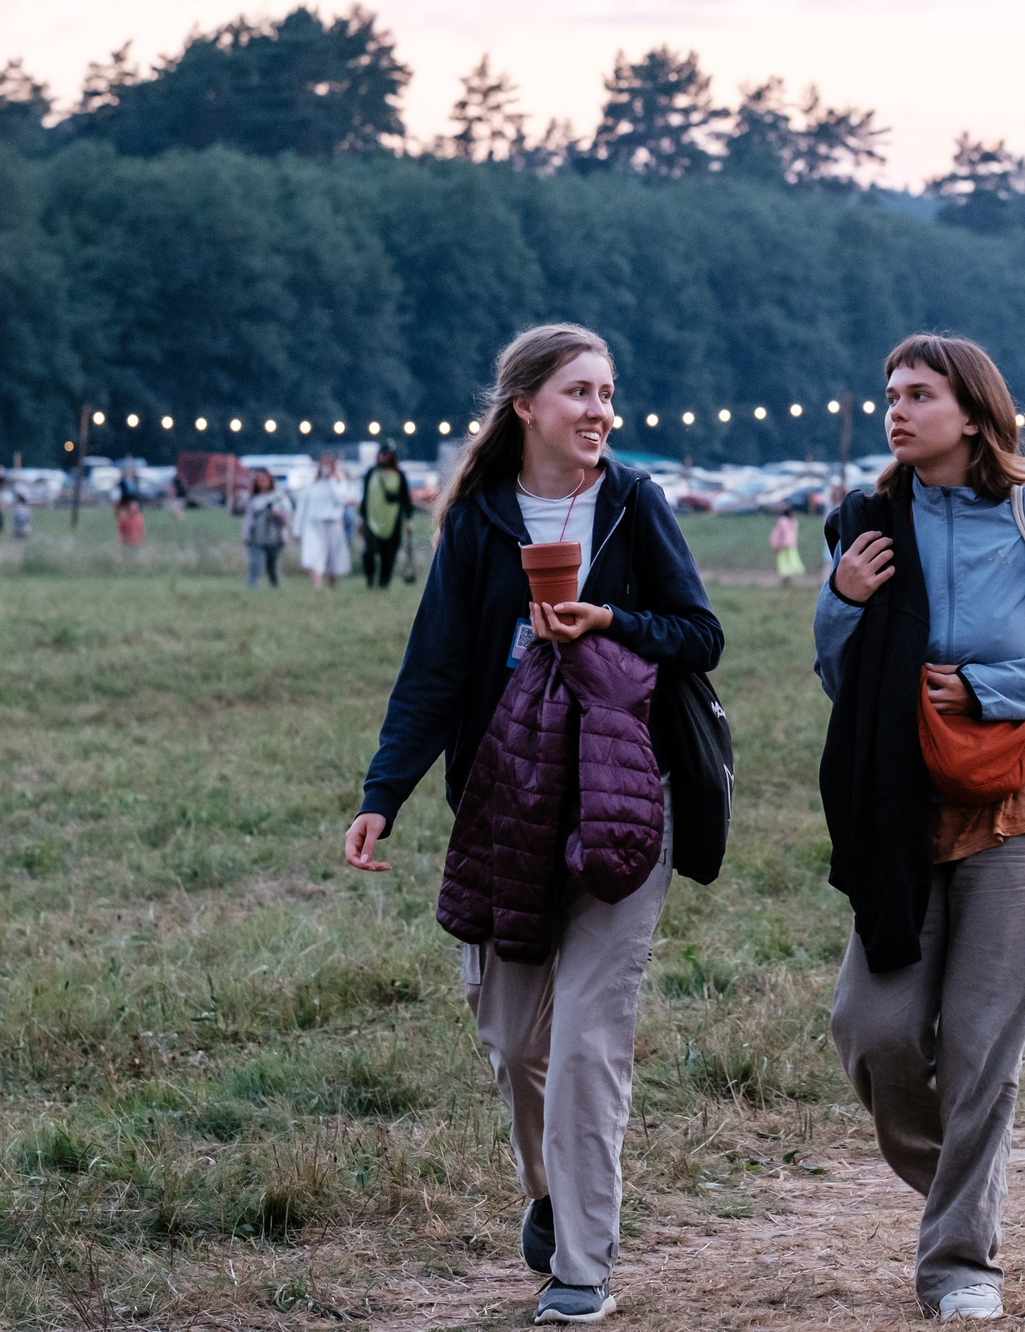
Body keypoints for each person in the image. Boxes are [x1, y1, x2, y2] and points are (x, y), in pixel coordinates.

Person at [345, 323, 723, 1327]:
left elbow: (701, 633)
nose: (600, 410)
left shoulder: (634, 506)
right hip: (510, 804)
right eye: (578, 393)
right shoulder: (478, 520)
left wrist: (608, 621)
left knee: (592, 1037)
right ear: (525, 407)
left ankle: (583, 1268)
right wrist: (383, 795)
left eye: (607, 393)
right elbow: (432, 671)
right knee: (516, 1045)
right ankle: (553, 1199)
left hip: (624, 803)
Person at [815, 333, 1025, 1324]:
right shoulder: (868, 526)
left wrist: (991, 688)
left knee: (985, 1044)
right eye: (890, 394)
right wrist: (841, 600)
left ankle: (961, 1266)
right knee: (873, 1032)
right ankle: (958, 1179)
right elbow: (837, 677)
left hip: (1020, 804)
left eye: (918, 394)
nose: (898, 411)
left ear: (973, 413)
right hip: (899, 809)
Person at [359, 445, 415, 590]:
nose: (383, 457)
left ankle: (384, 582)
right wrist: (362, 518)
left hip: (393, 519)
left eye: (386, 454)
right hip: (372, 518)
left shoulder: (399, 475)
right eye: (381, 454)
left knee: (388, 553)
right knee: (369, 552)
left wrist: (409, 519)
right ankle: (370, 580)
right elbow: (365, 497)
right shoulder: (371, 473)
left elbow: (405, 499)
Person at [294, 451, 353, 590]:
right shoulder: (312, 485)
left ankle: (332, 586)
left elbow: (342, 499)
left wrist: (333, 479)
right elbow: (302, 508)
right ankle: (316, 586)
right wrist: (297, 530)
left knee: (333, 558)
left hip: (332, 524)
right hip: (314, 524)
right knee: (314, 554)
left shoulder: (339, 483)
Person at [239, 470, 290, 589]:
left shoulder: (279, 498)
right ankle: (252, 588)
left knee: (272, 566)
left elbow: (287, 519)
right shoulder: (251, 498)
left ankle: (275, 588)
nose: (261, 482)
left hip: (274, 537)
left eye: (264, 479)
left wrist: (276, 514)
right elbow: (237, 511)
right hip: (255, 536)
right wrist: (235, 497)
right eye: (259, 480)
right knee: (255, 564)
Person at [770, 506, 806, 585]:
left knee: (783, 561)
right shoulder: (794, 521)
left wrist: (777, 543)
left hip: (783, 545)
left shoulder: (782, 521)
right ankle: (790, 577)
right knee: (792, 560)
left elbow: (780, 533)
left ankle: (786, 577)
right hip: (792, 544)